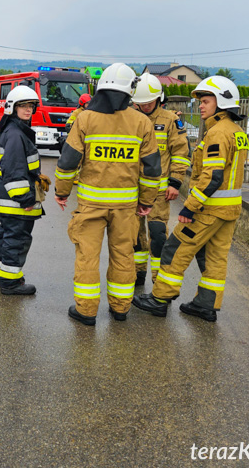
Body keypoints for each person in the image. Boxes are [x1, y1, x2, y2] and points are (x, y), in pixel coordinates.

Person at [133, 76, 249, 322]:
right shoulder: (237, 132)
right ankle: (205, 305)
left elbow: (212, 177)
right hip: (229, 210)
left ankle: (159, 299)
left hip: (208, 210)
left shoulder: (217, 133)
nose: (201, 106)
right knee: (215, 259)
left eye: (206, 101)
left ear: (222, 102)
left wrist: (190, 207)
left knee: (175, 249)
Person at [54, 63, 161, 325]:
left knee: (87, 256)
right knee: (124, 255)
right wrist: (147, 201)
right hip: (126, 207)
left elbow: (68, 162)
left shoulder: (85, 119)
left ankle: (87, 311)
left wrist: (61, 192)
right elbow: (153, 168)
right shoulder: (142, 122)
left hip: (91, 204)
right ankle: (121, 309)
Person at [131, 74, 192, 285]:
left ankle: (158, 280)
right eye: (141, 103)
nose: (145, 107)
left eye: (149, 102)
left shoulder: (171, 120)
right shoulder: (129, 119)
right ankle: (138, 273)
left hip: (159, 191)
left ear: (159, 98)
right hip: (132, 190)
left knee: (157, 234)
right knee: (134, 236)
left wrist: (176, 183)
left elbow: (180, 153)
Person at [0, 85, 45, 295]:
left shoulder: (13, 131)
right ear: (12, 108)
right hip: (16, 203)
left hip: (8, 202)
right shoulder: (16, 134)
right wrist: (27, 198)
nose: (28, 110)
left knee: (5, 237)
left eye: (31, 106)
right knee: (16, 240)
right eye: (23, 106)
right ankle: (10, 282)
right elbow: (13, 170)